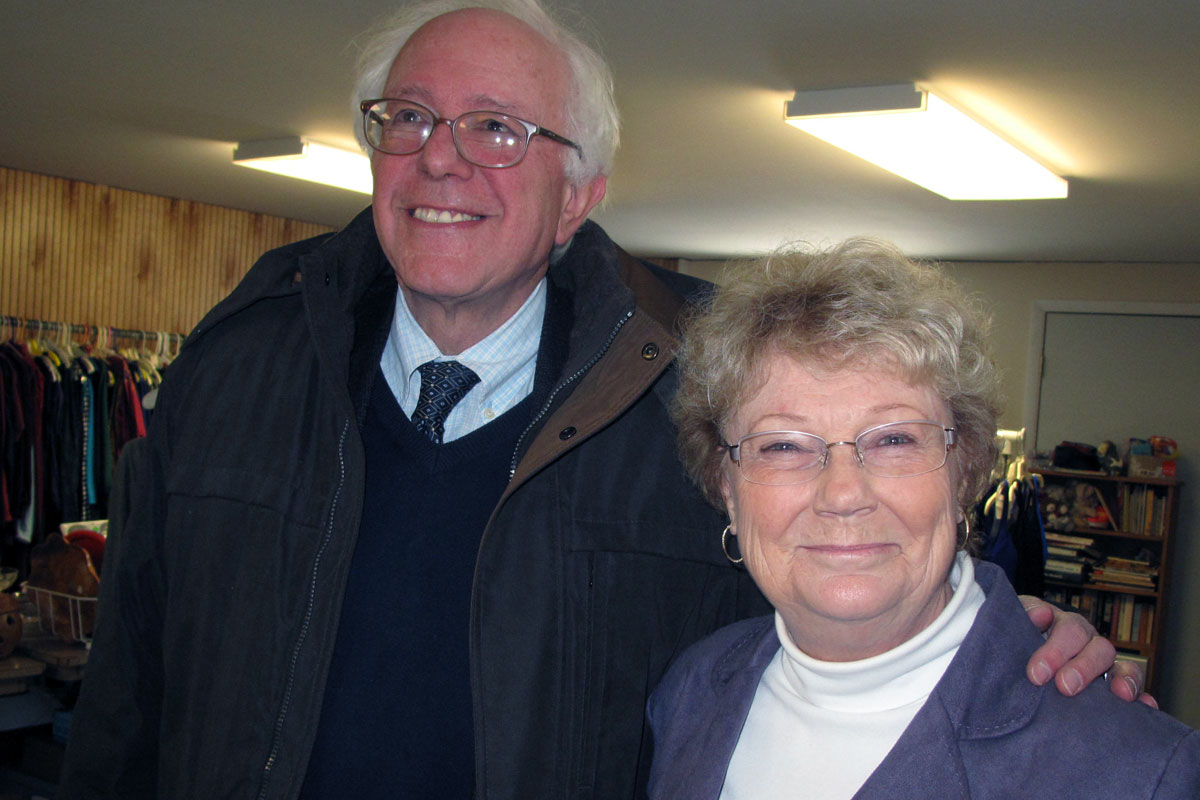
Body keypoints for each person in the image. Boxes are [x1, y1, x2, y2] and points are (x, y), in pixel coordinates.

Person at [60, 2, 1136, 798]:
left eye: (498, 129)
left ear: (579, 195)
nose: (441, 157)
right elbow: (125, 696)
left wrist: (1009, 638)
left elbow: (854, 579)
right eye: (410, 117)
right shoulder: (236, 360)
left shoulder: (706, 393)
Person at [647, 238, 1199, 798]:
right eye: (784, 446)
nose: (842, 494)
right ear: (728, 489)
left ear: (963, 475)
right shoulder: (689, 693)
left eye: (894, 440)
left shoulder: (1138, 768)